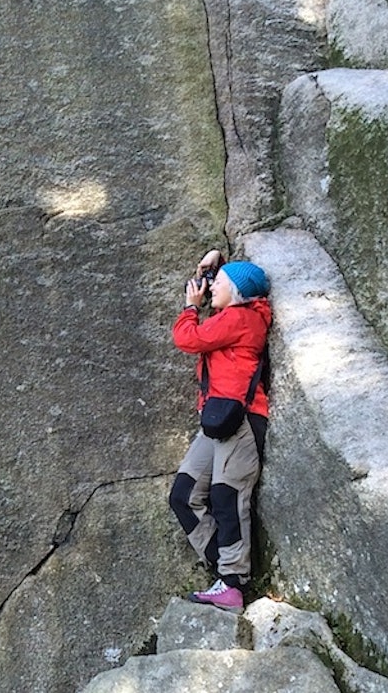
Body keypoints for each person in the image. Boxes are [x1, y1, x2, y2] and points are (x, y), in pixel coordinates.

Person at [168, 249, 272, 613]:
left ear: (239, 292)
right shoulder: (232, 314)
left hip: (240, 420)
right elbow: (225, 289)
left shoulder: (243, 318)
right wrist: (210, 263)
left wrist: (190, 307)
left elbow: (188, 338)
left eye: (218, 284)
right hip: (215, 419)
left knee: (227, 496)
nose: (211, 290)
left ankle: (232, 584)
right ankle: (224, 572)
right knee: (183, 495)